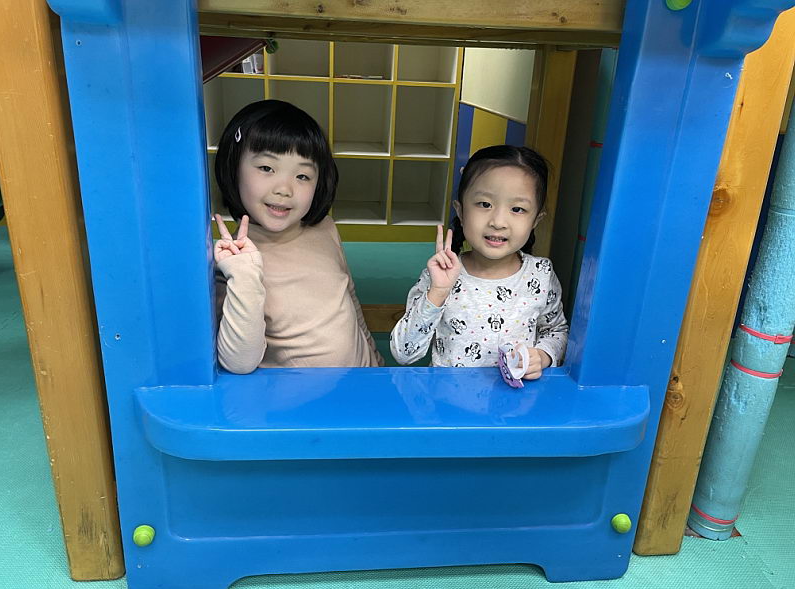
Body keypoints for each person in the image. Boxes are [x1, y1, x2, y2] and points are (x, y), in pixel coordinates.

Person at [213, 100, 382, 373]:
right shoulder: (232, 259)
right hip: (305, 399)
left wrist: (376, 364)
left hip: (364, 384)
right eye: (266, 168)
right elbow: (239, 363)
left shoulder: (325, 228)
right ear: (234, 167)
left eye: (303, 176)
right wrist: (244, 275)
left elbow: (350, 301)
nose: (284, 189)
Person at [390, 145, 568, 380]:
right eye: (484, 204)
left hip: (515, 402)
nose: (498, 222)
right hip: (448, 401)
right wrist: (438, 292)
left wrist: (543, 356)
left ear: (536, 220)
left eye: (517, 209)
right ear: (461, 211)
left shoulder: (541, 273)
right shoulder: (441, 276)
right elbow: (404, 354)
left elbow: (556, 330)